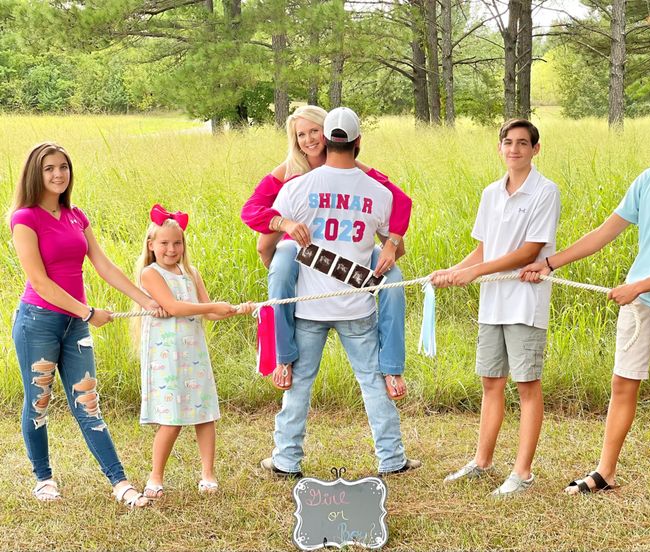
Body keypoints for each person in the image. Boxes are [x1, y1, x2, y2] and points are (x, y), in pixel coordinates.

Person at [521, 101, 650, 513]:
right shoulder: (648, 180)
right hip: (640, 300)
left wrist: (637, 286)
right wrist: (549, 263)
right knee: (623, 382)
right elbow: (604, 232)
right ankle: (605, 472)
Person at [260, 107, 420, 478]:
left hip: (309, 308)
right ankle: (392, 459)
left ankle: (286, 459)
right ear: (358, 142)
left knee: (298, 388)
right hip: (356, 307)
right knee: (371, 383)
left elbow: (261, 226)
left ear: (325, 142)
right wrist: (393, 243)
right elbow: (394, 232)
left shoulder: (297, 188)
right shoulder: (378, 193)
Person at [9, 142, 160, 507]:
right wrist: (88, 312)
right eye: (49, 169)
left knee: (88, 403)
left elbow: (103, 265)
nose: (59, 174)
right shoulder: (24, 218)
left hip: (73, 325)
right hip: (38, 323)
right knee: (39, 402)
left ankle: (120, 482)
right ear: (36, 174)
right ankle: (43, 478)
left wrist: (146, 300)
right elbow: (41, 282)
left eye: (64, 167)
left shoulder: (76, 215)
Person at [241, 105, 412, 399]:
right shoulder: (289, 172)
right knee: (280, 267)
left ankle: (393, 366)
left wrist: (392, 241)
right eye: (301, 135)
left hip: (353, 248)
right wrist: (283, 224)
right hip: (303, 249)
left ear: (329, 130)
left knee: (395, 281)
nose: (309, 140)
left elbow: (401, 200)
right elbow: (250, 210)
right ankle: (284, 356)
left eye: (314, 131)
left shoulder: (352, 167)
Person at [432, 119, 560, 495]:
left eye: (523, 143)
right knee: (491, 382)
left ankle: (522, 473)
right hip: (493, 304)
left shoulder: (545, 191)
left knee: (526, 385)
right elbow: (484, 247)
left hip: (525, 304)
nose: (514, 149)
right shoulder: (491, 193)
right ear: (500, 147)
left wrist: (474, 273)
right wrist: (454, 270)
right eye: (508, 142)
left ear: (536, 149)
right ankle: (483, 461)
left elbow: (528, 251)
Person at [135, 205, 255, 498]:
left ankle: (208, 473)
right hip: (166, 355)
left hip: (194, 354)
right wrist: (212, 307)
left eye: (177, 243)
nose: (171, 249)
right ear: (152, 245)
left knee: (204, 414)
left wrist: (234, 310)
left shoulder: (191, 273)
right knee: (171, 418)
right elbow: (175, 308)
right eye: (164, 243)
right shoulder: (150, 274)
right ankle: (156, 476)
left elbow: (209, 313)